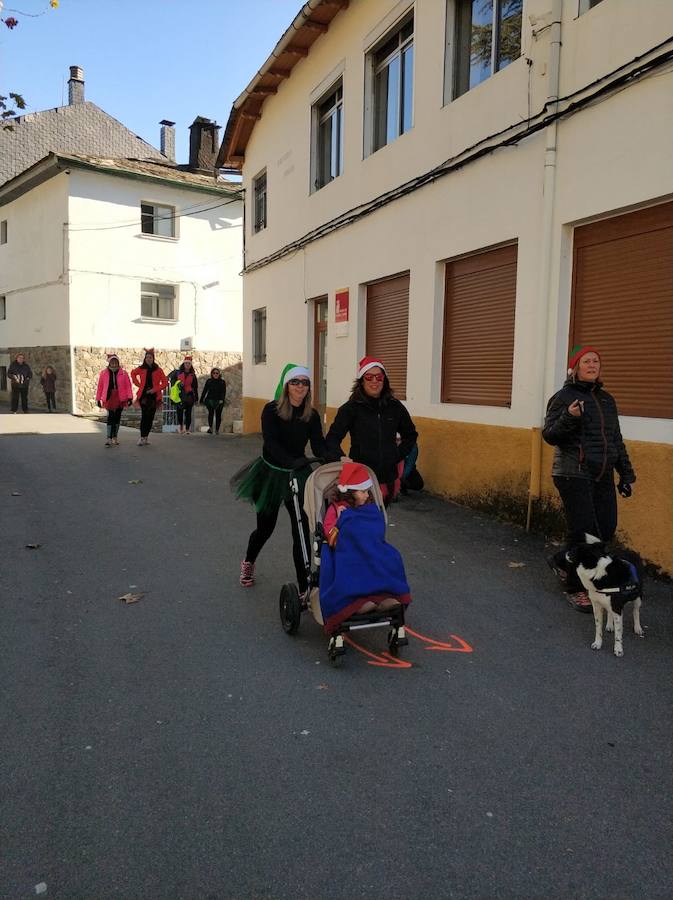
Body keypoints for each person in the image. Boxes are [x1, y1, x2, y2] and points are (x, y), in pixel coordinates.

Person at [543, 345, 636, 612]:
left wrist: (626, 474)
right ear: (575, 368)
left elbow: (615, 439)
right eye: (587, 361)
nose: (592, 365)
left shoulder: (607, 399)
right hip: (572, 472)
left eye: (596, 361)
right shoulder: (563, 397)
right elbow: (550, 436)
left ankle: (562, 559)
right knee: (584, 532)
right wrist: (570, 417)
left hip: (602, 472)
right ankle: (575, 586)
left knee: (605, 529)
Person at [231, 363, 326, 596]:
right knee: (265, 527)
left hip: (298, 473)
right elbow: (270, 443)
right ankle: (249, 561)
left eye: (305, 382)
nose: (300, 387)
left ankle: (304, 588)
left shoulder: (311, 415)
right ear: (286, 386)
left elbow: (319, 444)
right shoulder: (271, 410)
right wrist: (290, 461)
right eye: (295, 382)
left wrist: (332, 458)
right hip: (271, 472)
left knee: (301, 529)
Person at [319, 461, 411, 632]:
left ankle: (383, 597)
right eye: (363, 491)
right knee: (353, 566)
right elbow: (330, 536)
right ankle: (356, 602)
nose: (367, 495)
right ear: (350, 493)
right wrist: (340, 522)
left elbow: (375, 528)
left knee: (391, 558)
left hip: (369, 547)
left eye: (367, 491)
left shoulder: (368, 507)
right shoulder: (336, 509)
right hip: (346, 551)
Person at [325, 356, 418, 503]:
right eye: (369, 377)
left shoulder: (395, 407)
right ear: (361, 381)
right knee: (362, 523)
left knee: (379, 521)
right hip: (360, 481)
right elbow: (332, 439)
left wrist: (396, 455)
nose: (374, 381)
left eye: (379, 377)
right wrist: (341, 458)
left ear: (384, 380)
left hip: (387, 479)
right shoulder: (350, 408)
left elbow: (411, 435)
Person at [131, 349, 168, 446]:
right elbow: (133, 373)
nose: (148, 359)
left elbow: (165, 383)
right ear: (145, 358)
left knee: (150, 417)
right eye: (147, 357)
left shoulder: (158, 370)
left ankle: (146, 437)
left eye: (150, 357)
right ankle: (142, 437)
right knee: (144, 416)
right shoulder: (141, 368)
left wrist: (155, 389)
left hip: (154, 397)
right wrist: (138, 384)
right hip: (144, 396)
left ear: (153, 358)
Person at [95, 354, 133, 447]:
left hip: (120, 397)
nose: (114, 364)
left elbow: (128, 386)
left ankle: (115, 437)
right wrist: (98, 399)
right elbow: (100, 387)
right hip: (109, 397)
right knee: (111, 417)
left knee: (117, 418)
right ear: (109, 363)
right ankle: (108, 437)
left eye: (116, 362)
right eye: (112, 362)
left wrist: (130, 397)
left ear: (118, 363)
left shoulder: (123, 373)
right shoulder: (104, 373)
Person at [175, 356, 199, 434]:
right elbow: (173, 383)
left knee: (188, 413)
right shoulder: (178, 373)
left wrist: (196, 398)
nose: (187, 365)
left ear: (191, 365)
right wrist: (178, 384)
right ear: (183, 364)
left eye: (189, 363)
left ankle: (187, 429)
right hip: (180, 395)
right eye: (186, 363)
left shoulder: (193, 375)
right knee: (179, 412)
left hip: (189, 396)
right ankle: (181, 426)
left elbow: (195, 387)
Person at [200, 367, 227, 434]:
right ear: (212, 374)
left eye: (217, 373)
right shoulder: (209, 381)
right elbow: (205, 390)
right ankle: (211, 428)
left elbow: (223, 392)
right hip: (210, 400)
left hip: (219, 401)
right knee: (211, 414)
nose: (215, 374)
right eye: (214, 373)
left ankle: (217, 430)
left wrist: (222, 400)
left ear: (219, 374)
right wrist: (201, 399)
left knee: (218, 415)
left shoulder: (222, 382)